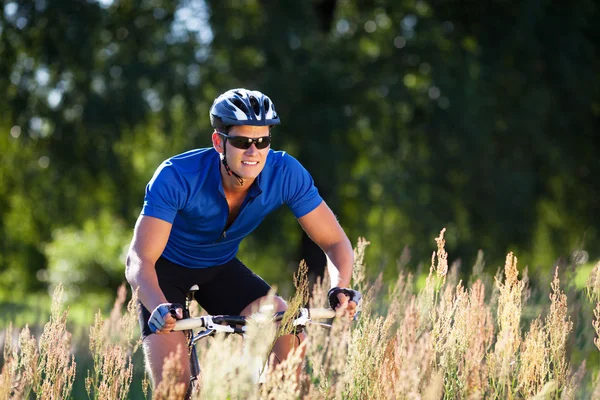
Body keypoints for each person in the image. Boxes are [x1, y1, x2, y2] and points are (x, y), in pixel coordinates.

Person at [125, 88, 361, 389]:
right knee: (175, 388)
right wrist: (159, 306)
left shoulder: (285, 173)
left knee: (286, 328)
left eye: (262, 141)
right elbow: (139, 260)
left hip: (220, 268)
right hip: (163, 272)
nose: (253, 152)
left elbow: (335, 242)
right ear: (218, 142)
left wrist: (340, 286)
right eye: (241, 142)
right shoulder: (177, 176)